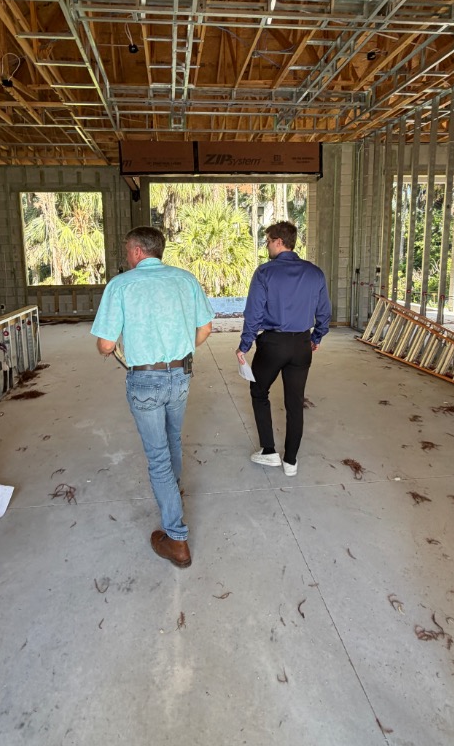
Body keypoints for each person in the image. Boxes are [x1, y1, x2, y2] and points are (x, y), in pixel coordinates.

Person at [91, 227, 214, 568]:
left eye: (127, 249)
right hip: (181, 374)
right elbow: (205, 329)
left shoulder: (121, 285)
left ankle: (176, 539)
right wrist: (181, 350)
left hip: (145, 380)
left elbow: (105, 344)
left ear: (136, 251)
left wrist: (109, 348)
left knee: (158, 457)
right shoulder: (185, 280)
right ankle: (174, 493)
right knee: (173, 438)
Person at [236, 221, 331, 477]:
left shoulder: (265, 273)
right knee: (295, 402)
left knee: (259, 391)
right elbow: (324, 312)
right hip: (301, 344)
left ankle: (269, 451)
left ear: (279, 242)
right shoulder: (315, 273)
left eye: (268, 241)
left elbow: (254, 314)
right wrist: (317, 337)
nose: (266, 246)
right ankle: (291, 461)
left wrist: (244, 345)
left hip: (273, 344)